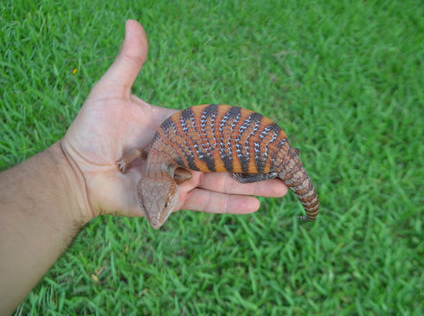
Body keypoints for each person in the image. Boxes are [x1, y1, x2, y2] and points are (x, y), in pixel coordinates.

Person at [0, 20, 288, 314]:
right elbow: (143, 155)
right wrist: (84, 167)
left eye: (162, 205)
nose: (156, 218)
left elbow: (151, 158)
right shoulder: (160, 164)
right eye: (158, 205)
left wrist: (98, 165)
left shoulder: (166, 166)